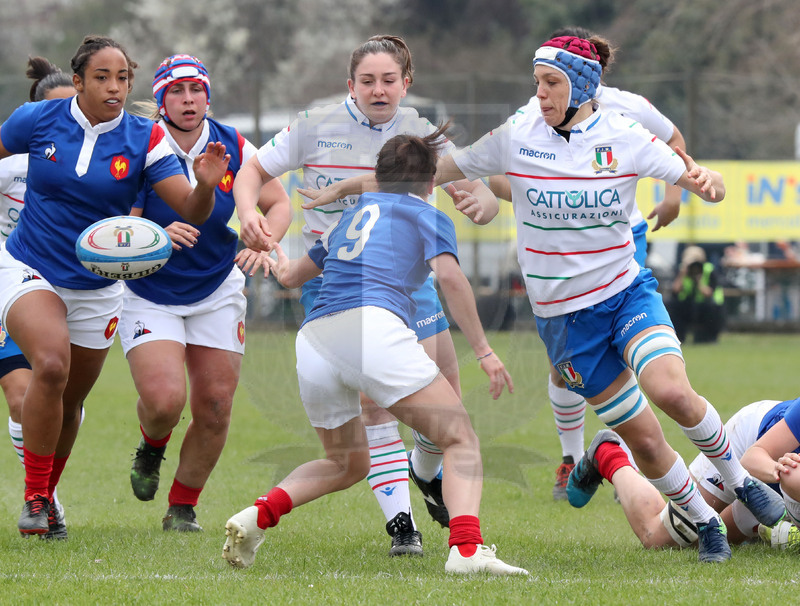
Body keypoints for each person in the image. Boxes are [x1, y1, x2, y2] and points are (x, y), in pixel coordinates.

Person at [301, 35, 787, 563]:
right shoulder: (518, 133)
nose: (540, 94)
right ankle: (704, 524)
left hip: (625, 294)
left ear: (581, 85)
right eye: (537, 82)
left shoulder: (625, 135)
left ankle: (741, 483)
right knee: (645, 441)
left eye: (551, 83)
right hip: (565, 323)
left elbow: (696, 178)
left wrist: (708, 183)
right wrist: (346, 188)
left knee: (670, 391)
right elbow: (424, 174)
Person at [222, 126, 527, 576]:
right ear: (430, 184)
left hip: (316, 339)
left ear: (377, 179)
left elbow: (290, 278)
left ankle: (256, 516)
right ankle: (466, 551)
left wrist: (271, 252)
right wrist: (482, 349)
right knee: (460, 437)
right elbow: (450, 277)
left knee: (345, 462)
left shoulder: (349, 217)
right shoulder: (427, 213)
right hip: (371, 329)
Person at [233, 35, 496, 553]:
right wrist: (249, 214)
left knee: (445, 397)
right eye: (368, 81)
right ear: (349, 84)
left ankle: (425, 474)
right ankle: (403, 527)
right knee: (376, 404)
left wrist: (481, 198)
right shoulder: (314, 124)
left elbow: (464, 179)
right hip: (336, 276)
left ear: (406, 83)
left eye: (389, 80)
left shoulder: (419, 128)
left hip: (406, 279)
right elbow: (252, 172)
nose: (379, 90)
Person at [0, 35, 230, 537]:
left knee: (70, 403)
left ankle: (47, 503)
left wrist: (206, 185)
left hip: (100, 286)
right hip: (28, 266)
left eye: (123, 78)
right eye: (102, 77)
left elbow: (189, 208)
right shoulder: (36, 120)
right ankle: (36, 498)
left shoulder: (145, 138)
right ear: (78, 81)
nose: (115, 87)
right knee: (52, 364)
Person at [489, 26, 690, 501]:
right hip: (559, 250)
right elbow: (506, 172)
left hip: (624, 239)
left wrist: (674, 197)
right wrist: (503, 196)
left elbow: (674, 138)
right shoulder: (534, 114)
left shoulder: (627, 107)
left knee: (631, 352)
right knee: (565, 366)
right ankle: (571, 457)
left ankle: (626, 458)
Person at [118, 54, 291, 532]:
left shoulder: (232, 143)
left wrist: (265, 242)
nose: (188, 99)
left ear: (207, 95)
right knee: (164, 402)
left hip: (217, 286)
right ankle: (151, 446)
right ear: (160, 101)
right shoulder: (141, 143)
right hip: (148, 291)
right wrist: (156, 233)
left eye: (196, 89)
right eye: (177, 91)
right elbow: (121, 224)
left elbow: (278, 203)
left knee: (215, 405)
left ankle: (182, 507)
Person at [0, 56, 76, 539]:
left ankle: (45, 493)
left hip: (63, 289)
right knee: (21, 392)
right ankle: (42, 499)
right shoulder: (12, 168)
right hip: (10, 281)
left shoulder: (92, 170)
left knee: (67, 402)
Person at [570, 395, 800, 553]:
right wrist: (776, 468)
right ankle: (609, 454)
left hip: (781, 484)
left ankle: (766, 528)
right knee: (661, 538)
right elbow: (753, 457)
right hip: (750, 446)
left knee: (706, 541)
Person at [667, 245, 725, 344]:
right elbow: (675, 290)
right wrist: (682, 274)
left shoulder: (709, 270)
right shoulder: (683, 270)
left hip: (706, 304)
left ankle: (707, 338)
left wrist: (699, 281)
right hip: (688, 304)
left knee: (711, 309)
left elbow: (708, 293)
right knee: (672, 306)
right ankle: (678, 336)